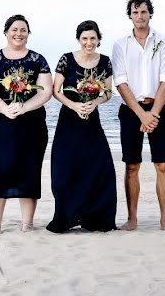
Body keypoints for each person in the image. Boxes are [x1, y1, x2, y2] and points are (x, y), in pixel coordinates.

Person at [0, 15, 53, 232]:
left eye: (23, 30)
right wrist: (3, 107)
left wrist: (24, 107)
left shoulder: (38, 59)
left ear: (28, 33)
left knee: (29, 171)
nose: (19, 33)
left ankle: (27, 225)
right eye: (14, 29)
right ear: (6, 32)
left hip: (31, 124)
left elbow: (46, 90)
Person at [111, 0, 165, 231]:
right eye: (135, 12)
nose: (139, 16)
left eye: (143, 11)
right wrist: (141, 115)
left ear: (150, 13)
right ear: (130, 15)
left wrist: (153, 114)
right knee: (132, 166)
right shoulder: (121, 44)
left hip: (158, 108)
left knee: (163, 166)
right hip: (131, 110)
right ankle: (132, 218)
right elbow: (120, 82)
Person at [47, 20, 117, 233]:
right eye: (85, 38)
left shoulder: (104, 62)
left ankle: (95, 217)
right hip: (69, 120)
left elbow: (107, 92)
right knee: (66, 168)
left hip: (91, 121)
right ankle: (67, 216)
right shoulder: (66, 59)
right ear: (79, 39)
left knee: (100, 167)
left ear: (98, 40)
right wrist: (75, 105)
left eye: (93, 38)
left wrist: (94, 103)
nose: (89, 42)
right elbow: (55, 90)